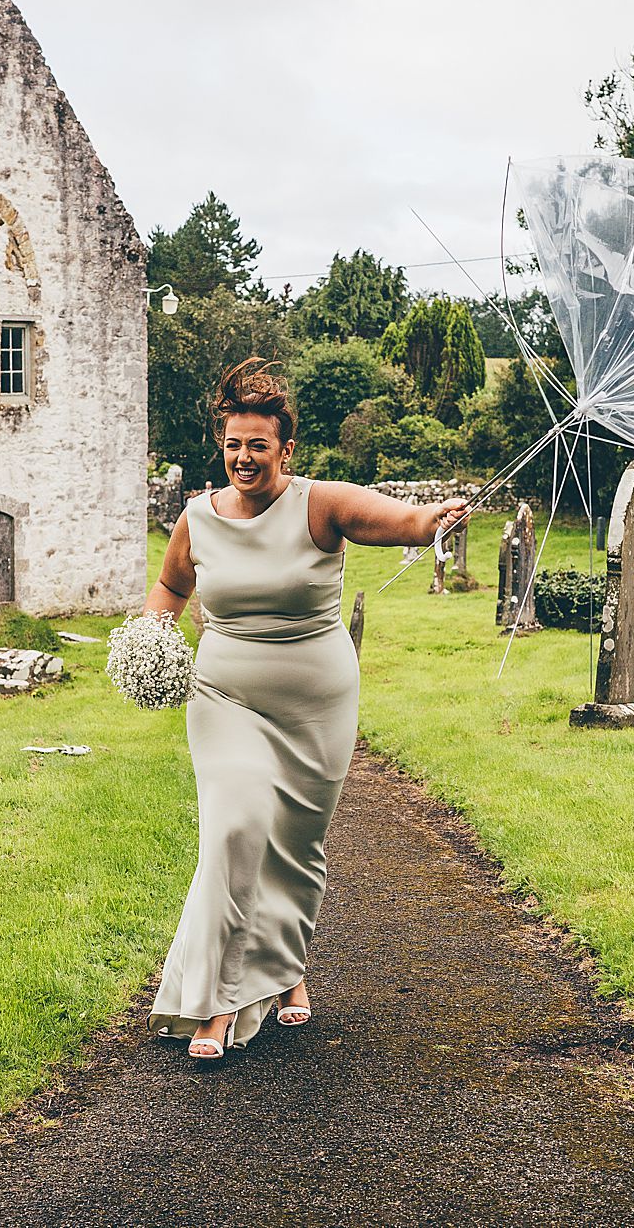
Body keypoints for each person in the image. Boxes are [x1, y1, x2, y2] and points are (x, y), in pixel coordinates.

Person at [142, 358, 466, 1060]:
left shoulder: (320, 503)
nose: (243, 457)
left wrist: (428, 520)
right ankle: (220, 1004)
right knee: (235, 831)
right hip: (224, 696)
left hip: (316, 702)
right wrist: (153, 637)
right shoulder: (198, 518)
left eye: (258, 445)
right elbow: (167, 589)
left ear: (286, 449)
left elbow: (392, 521)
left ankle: (287, 970)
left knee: (294, 844)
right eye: (233, 443)